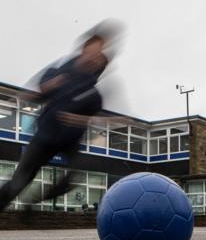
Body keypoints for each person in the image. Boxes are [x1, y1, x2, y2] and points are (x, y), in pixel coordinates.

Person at [0, 21, 123, 213]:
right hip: (45, 136)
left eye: (99, 55)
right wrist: (33, 93)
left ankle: (34, 200)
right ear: (84, 50)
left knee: (75, 176)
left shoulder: (93, 93)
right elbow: (39, 92)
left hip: (69, 141)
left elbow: (93, 118)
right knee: (19, 181)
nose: (94, 58)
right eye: (92, 51)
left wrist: (77, 119)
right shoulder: (62, 70)